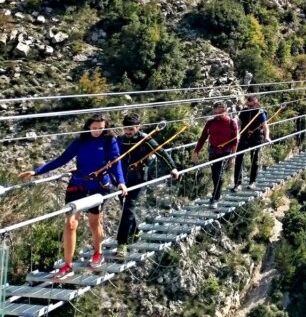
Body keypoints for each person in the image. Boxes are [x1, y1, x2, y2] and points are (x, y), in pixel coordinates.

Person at [18, 115, 128, 278]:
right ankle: (67, 265)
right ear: (88, 126)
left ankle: (98, 253)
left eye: (101, 128)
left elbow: (116, 163)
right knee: (70, 223)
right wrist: (37, 171)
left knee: (93, 222)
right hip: (78, 184)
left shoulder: (108, 141)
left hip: (98, 187)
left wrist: (121, 182)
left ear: (105, 127)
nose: (97, 130)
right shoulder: (81, 141)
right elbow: (62, 159)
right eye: (94, 127)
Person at [115, 114, 179, 259]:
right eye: (126, 128)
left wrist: (172, 168)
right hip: (122, 180)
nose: (128, 131)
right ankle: (135, 231)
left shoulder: (145, 139)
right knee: (125, 207)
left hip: (138, 178)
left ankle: (122, 243)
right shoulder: (119, 140)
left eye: (131, 129)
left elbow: (161, 152)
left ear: (138, 128)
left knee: (128, 207)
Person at [191, 102, 238, 204]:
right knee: (215, 174)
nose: (218, 114)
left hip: (226, 151)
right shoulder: (210, 123)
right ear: (213, 111)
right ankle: (217, 194)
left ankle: (215, 198)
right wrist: (196, 152)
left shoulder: (231, 122)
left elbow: (235, 141)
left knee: (219, 174)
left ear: (226, 111)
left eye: (221, 111)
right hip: (213, 151)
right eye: (216, 112)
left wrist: (233, 156)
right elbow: (203, 138)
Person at [233, 95, 269, 192]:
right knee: (239, 158)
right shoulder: (244, 111)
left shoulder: (260, 112)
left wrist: (267, 137)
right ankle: (237, 184)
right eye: (248, 105)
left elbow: (265, 126)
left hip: (256, 136)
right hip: (244, 136)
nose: (250, 108)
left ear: (257, 104)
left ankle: (252, 182)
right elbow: (239, 123)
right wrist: (237, 134)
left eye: (252, 105)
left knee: (254, 158)